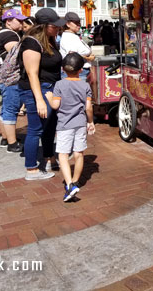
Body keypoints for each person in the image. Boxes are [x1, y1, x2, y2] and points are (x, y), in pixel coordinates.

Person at [18, 8, 64, 180]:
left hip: (51, 88)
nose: (58, 28)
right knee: (35, 129)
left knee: (50, 126)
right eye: (55, 26)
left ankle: (49, 156)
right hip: (37, 90)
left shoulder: (50, 40)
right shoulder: (31, 43)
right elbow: (32, 73)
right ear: (45, 26)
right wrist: (39, 100)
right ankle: (31, 169)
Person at [45, 53, 95, 201]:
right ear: (81, 70)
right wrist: (90, 122)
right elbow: (88, 107)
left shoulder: (59, 85)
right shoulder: (85, 85)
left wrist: (48, 97)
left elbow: (55, 105)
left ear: (62, 69)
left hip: (64, 125)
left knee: (63, 155)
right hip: (80, 123)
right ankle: (75, 180)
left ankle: (69, 185)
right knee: (79, 153)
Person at [0, 9, 27, 153]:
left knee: (6, 108)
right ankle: (12, 144)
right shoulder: (9, 35)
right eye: (18, 20)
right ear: (8, 21)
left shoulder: (1, 33)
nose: (21, 23)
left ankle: (5, 137)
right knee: (11, 109)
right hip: (10, 79)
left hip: (0, 76)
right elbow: (16, 56)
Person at [59, 12, 94, 81]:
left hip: (82, 71)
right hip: (76, 72)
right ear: (68, 24)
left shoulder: (73, 35)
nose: (79, 25)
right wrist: (89, 58)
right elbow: (72, 55)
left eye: (79, 22)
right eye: (76, 23)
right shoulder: (67, 37)